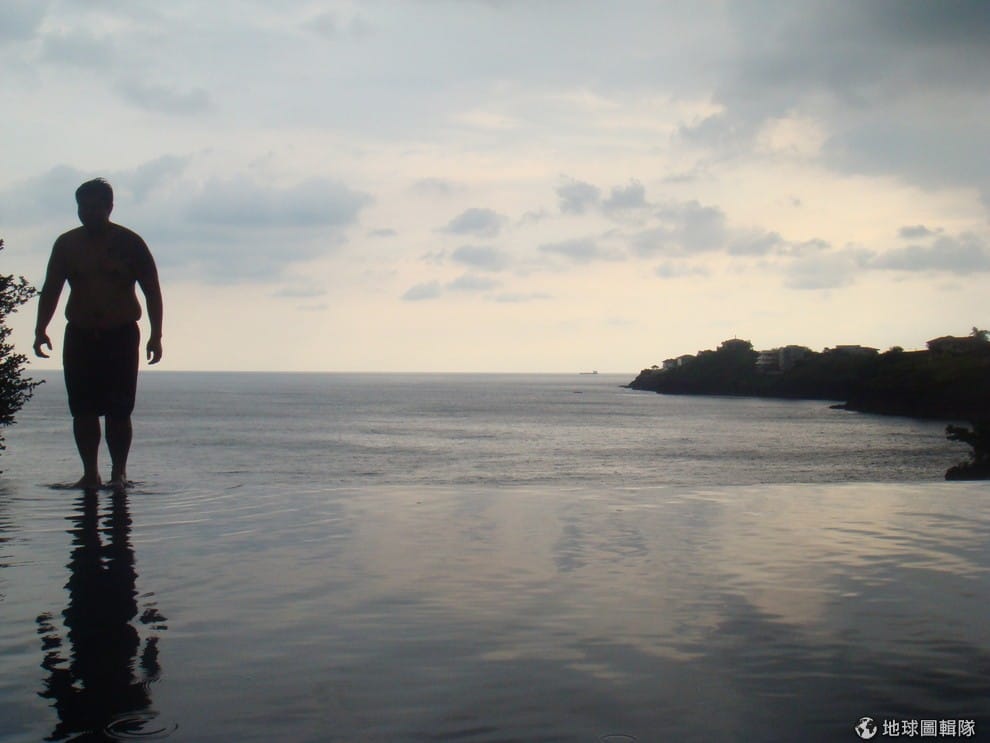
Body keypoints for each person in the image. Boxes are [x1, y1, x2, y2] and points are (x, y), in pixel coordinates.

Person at [34, 179, 163, 492]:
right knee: (83, 409)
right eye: (83, 208)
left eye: (95, 207)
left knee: (119, 409)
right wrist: (40, 329)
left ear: (109, 207)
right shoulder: (67, 245)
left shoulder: (130, 244)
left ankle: (118, 473)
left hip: (120, 335)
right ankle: (90, 473)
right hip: (80, 335)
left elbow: (152, 291)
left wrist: (156, 335)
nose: (89, 213)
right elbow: (51, 289)